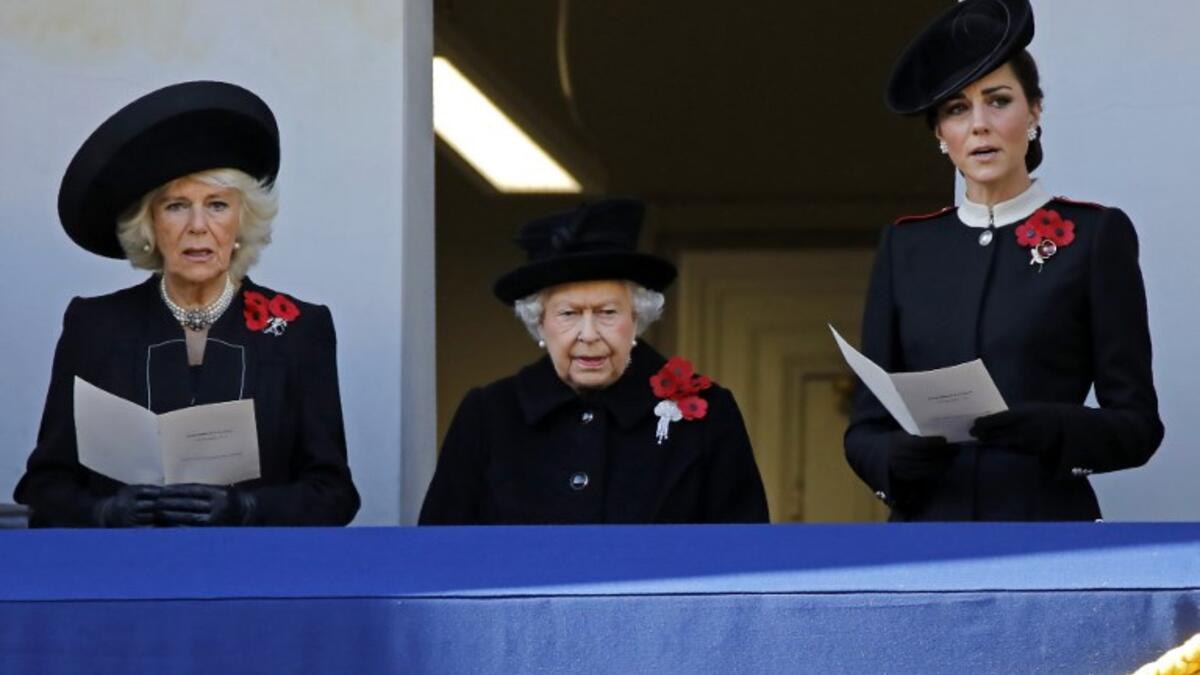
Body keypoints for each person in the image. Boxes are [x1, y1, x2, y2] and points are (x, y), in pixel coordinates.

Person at [844, 0, 1163, 521]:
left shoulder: (1095, 236)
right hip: (925, 535)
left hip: (1045, 529)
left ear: (1035, 111)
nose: (979, 125)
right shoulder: (905, 247)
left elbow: (1138, 426)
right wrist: (891, 459)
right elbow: (864, 429)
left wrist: (1053, 427)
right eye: (956, 109)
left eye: (998, 101)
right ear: (939, 135)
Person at [15, 81, 360, 527]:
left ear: (241, 221)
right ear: (150, 226)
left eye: (217, 205)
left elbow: (333, 493)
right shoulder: (95, 325)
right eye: (176, 206)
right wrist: (104, 512)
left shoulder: (298, 330)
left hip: (252, 582)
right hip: (124, 578)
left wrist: (246, 509)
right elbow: (44, 487)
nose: (198, 226)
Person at [420, 199, 769, 524]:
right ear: (540, 322)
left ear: (637, 317)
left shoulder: (707, 415)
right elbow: (439, 557)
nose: (588, 334)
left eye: (607, 312)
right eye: (568, 313)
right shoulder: (488, 415)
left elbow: (744, 558)